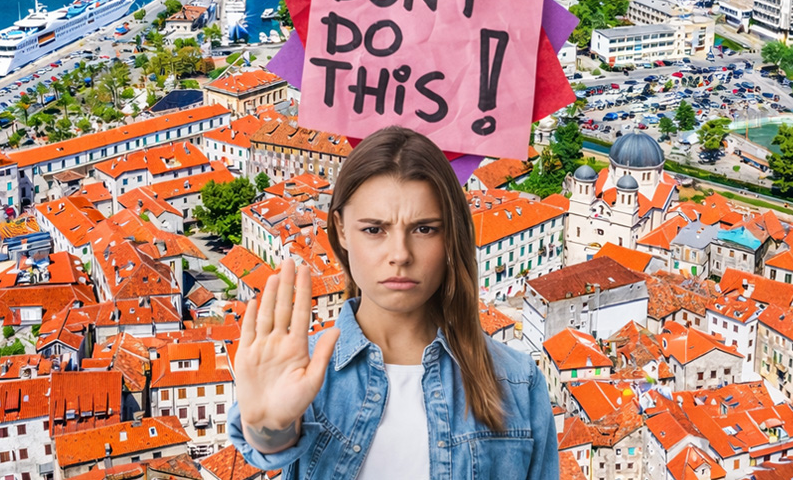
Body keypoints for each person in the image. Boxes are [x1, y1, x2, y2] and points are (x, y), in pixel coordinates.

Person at [226, 125, 559, 479]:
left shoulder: (518, 383)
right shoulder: (300, 373)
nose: (400, 254)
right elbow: (269, 443)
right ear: (341, 229)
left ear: (451, 235)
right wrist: (269, 426)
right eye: (374, 229)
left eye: (424, 228)